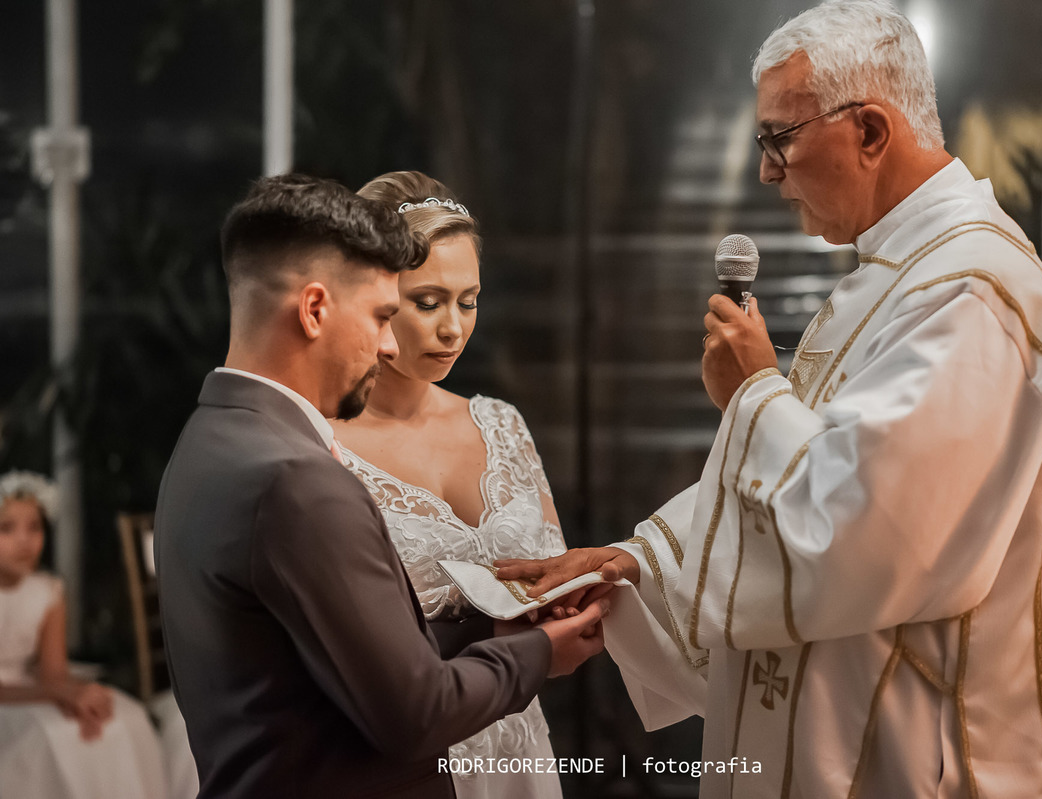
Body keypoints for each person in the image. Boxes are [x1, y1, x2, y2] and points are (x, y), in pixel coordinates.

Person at [497, 1, 1042, 796]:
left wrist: (752, 392)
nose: (766, 172)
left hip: (922, 759)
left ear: (870, 131)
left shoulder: (969, 293)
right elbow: (825, 462)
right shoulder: (902, 276)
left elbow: (869, 531)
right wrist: (639, 564)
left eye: (779, 138)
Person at [154, 174, 607, 799]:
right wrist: (538, 653)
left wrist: (491, 630)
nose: (390, 343)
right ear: (315, 310)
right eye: (384, 315)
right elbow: (414, 711)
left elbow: (325, 651)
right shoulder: (300, 478)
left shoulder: (209, 435)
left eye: (469, 300)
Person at [331, 170, 567, 799]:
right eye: (429, 302)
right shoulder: (322, 443)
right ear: (375, 294)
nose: (453, 329)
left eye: (469, 301)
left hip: (517, 746)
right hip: (403, 758)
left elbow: (555, 573)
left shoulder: (501, 423)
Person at [0, 470, 167, 799]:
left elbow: (53, 672)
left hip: (34, 684)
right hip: (9, 697)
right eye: (6, 528)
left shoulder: (47, 591)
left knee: (124, 720)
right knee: (45, 737)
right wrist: (59, 696)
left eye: (34, 527)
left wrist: (75, 699)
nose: (25, 540)